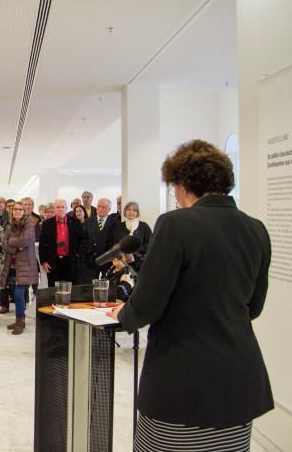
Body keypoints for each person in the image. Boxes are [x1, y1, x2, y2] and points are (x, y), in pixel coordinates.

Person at [108, 140, 273, 451]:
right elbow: (254, 306)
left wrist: (124, 315)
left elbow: (147, 303)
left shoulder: (175, 223)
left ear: (183, 183)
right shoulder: (256, 229)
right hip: (238, 381)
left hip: (182, 381)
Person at [0, 202, 38, 335]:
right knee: (16, 295)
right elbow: (4, 243)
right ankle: (19, 320)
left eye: (20, 209)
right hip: (12, 265)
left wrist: (12, 242)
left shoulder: (29, 224)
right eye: (15, 209)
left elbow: (26, 240)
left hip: (25, 264)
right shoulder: (9, 226)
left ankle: (21, 322)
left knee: (19, 294)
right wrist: (16, 246)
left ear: (24, 211)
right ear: (12, 211)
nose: (17, 211)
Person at [39, 199, 82, 285]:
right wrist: (43, 262)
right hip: (53, 262)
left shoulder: (75, 222)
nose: (60, 209)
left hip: (71, 262)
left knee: (71, 290)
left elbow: (82, 240)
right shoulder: (47, 224)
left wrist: (78, 254)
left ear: (66, 208)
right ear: (54, 209)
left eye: (62, 207)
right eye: (58, 207)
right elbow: (42, 244)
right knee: (54, 291)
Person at [77, 198, 115, 285]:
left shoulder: (114, 223)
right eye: (99, 206)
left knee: (107, 286)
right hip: (90, 261)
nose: (101, 209)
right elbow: (83, 240)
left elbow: (115, 241)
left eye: (104, 207)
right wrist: (86, 254)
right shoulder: (88, 222)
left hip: (107, 260)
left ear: (109, 209)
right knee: (89, 286)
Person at [112, 201, 152, 271]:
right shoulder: (119, 227)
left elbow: (150, 244)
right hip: (123, 264)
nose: (131, 212)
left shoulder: (144, 227)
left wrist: (133, 251)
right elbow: (115, 244)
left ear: (137, 213)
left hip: (140, 264)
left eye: (134, 210)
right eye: (129, 210)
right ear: (125, 212)